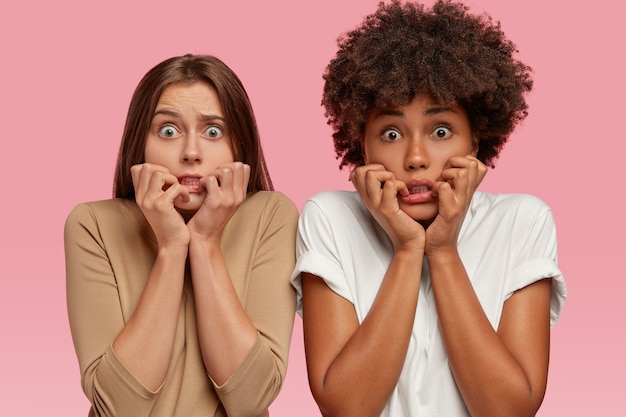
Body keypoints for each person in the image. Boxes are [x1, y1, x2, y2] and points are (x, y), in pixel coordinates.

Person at [291, 1, 567, 416]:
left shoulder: (522, 221)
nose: (416, 157)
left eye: (441, 131)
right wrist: (406, 249)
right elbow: (347, 407)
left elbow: (509, 410)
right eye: (390, 132)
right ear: (360, 142)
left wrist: (442, 250)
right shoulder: (330, 218)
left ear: (475, 140)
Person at [65, 54, 298, 417]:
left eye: (213, 132)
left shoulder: (271, 215)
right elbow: (117, 407)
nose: (191, 153)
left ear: (239, 145)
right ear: (139, 142)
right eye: (169, 131)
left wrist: (205, 242)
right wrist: (171, 248)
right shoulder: (92, 224)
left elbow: (252, 398)